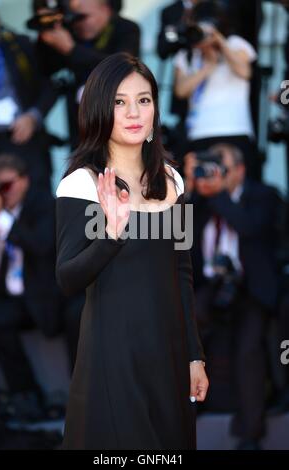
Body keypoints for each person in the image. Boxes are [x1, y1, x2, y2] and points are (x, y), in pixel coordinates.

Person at [55, 52, 208, 450]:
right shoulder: (81, 185)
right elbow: (67, 278)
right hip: (113, 357)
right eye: (120, 102)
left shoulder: (172, 180)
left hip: (170, 357)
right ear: (100, 110)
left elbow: (182, 272)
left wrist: (195, 356)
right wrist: (112, 233)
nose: (133, 112)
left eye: (144, 99)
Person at [186, 144, 278, 450]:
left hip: (250, 287)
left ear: (239, 170)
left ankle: (250, 434)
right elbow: (175, 234)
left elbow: (250, 227)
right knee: (183, 330)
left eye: (219, 166)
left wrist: (218, 194)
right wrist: (186, 189)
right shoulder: (200, 200)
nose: (212, 173)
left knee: (248, 349)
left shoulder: (263, 195)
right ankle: (186, 407)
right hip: (211, 284)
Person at [0, 154, 62, 422]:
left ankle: (27, 396)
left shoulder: (45, 206)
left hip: (40, 299)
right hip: (5, 298)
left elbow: (41, 246)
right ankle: (6, 397)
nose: (2, 194)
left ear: (25, 181)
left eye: (7, 186)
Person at [34, 0, 140, 147]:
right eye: (74, 17)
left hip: (117, 123)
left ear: (105, 9)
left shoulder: (126, 29)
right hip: (81, 128)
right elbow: (45, 69)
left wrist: (71, 49)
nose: (78, 23)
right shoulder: (73, 32)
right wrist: (47, 34)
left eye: (83, 17)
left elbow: (120, 65)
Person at [173, 0, 258, 178]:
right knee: (201, 189)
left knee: (235, 185)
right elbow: (181, 90)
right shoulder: (186, 55)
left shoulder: (235, 44)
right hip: (199, 133)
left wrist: (220, 43)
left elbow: (245, 71)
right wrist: (207, 67)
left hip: (235, 130)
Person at [0, 2, 56, 190]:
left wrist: (33, 117)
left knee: (41, 202)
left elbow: (48, 86)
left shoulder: (18, 46)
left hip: (28, 138)